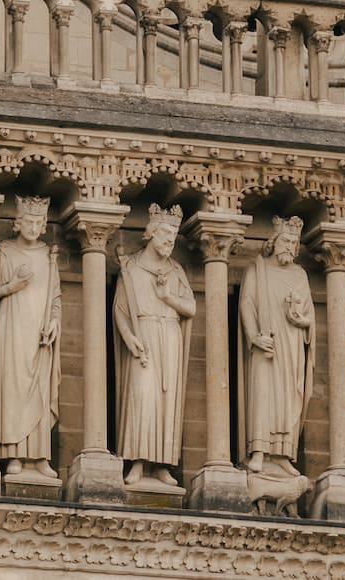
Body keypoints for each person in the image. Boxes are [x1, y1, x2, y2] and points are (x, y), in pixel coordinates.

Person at [113, 204, 196, 489]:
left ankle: (162, 464)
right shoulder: (131, 267)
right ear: (150, 233)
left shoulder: (176, 270)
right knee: (142, 396)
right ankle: (137, 461)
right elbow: (120, 309)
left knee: (166, 399)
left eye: (173, 235)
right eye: (165, 233)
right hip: (144, 334)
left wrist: (167, 296)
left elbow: (191, 308)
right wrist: (129, 336)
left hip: (169, 335)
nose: (170, 239)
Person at [0, 195, 61, 484]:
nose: (33, 227)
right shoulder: (4, 252)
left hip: (39, 333)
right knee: (13, 387)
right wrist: (11, 286)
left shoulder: (49, 256)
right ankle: (13, 453)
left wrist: (54, 321)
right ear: (18, 222)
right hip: (12, 329)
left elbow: (55, 298)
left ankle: (39, 456)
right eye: (28, 221)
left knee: (40, 388)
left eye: (38, 222)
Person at [238, 214, 314, 484]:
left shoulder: (300, 275)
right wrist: (253, 337)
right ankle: (259, 450)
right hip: (266, 342)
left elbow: (309, 315)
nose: (289, 246)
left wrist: (302, 321)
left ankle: (283, 454)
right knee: (264, 394)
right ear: (273, 241)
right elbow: (247, 303)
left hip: (292, 344)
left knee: (289, 397)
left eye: (293, 242)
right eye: (285, 241)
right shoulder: (257, 269)